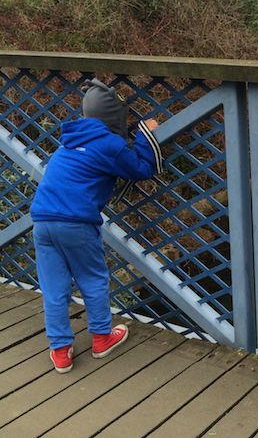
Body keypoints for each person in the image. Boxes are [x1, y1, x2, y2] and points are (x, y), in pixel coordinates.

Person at [29, 78, 162, 373]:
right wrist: (144, 136)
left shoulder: (68, 142)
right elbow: (141, 169)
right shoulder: (110, 144)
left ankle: (60, 350)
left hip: (42, 221)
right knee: (92, 278)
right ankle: (102, 337)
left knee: (54, 288)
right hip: (76, 222)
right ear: (115, 118)